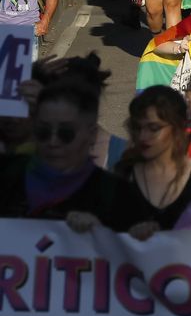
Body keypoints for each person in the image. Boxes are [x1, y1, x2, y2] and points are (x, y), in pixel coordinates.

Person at [0, 82, 149, 231]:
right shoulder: (7, 174)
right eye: (43, 131)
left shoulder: (119, 196)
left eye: (66, 133)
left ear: (92, 134)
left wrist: (105, 235)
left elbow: (136, 249)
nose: (53, 142)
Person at [117, 86, 191, 230]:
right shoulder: (125, 173)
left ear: (177, 127)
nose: (143, 136)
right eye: (137, 128)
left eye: (154, 129)